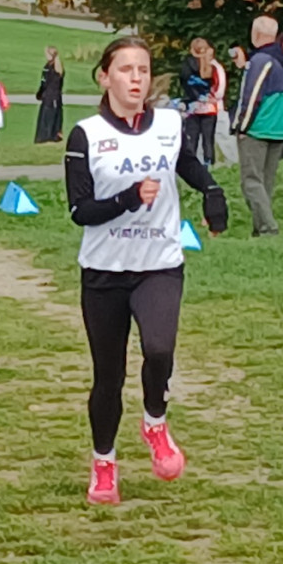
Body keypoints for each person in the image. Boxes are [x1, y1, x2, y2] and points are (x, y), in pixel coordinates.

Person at [66, 36, 228, 504]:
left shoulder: (170, 124)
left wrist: (212, 192)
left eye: (143, 69)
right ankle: (104, 464)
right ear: (105, 77)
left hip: (159, 264)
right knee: (109, 376)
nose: (135, 78)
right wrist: (128, 198)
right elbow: (80, 211)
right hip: (104, 271)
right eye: (125, 70)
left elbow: (187, 165)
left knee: (159, 350)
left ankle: (155, 421)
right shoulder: (86, 135)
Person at [233, 16, 283, 237]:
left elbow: (252, 97)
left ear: (255, 34)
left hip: (258, 128)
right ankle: (259, 229)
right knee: (265, 183)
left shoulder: (261, 61)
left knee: (251, 181)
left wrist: (242, 126)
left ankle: (268, 227)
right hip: (278, 128)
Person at [178, 38, 225, 166]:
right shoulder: (213, 65)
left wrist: (193, 97)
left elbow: (184, 82)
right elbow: (220, 85)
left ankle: (190, 165)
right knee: (208, 139)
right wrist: (214, 97)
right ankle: (209, 163)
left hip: (192, 107)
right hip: (210, 108)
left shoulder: (187, 65)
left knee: (191, 139)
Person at [34, 46, 65, 143]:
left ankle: (49, 136)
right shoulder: (49, 67)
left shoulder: (54, 68)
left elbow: (48, 83)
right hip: (49, 96)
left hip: (52, 97)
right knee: (47, 116)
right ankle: (47, 136)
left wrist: (41, 93)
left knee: (50, 116)